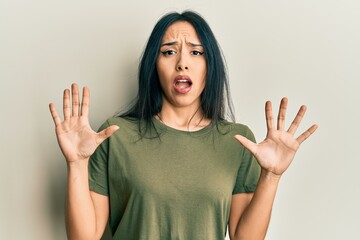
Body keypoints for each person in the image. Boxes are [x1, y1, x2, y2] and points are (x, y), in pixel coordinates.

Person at [49, 11, 317, 240]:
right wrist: (76, 164)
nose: (182, 63)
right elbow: (84, 236)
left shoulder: (237, 141)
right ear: (154, 66)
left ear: (209, 66)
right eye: (168, 52)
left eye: (196, 52)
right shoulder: (115, 135)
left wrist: (271, 177)